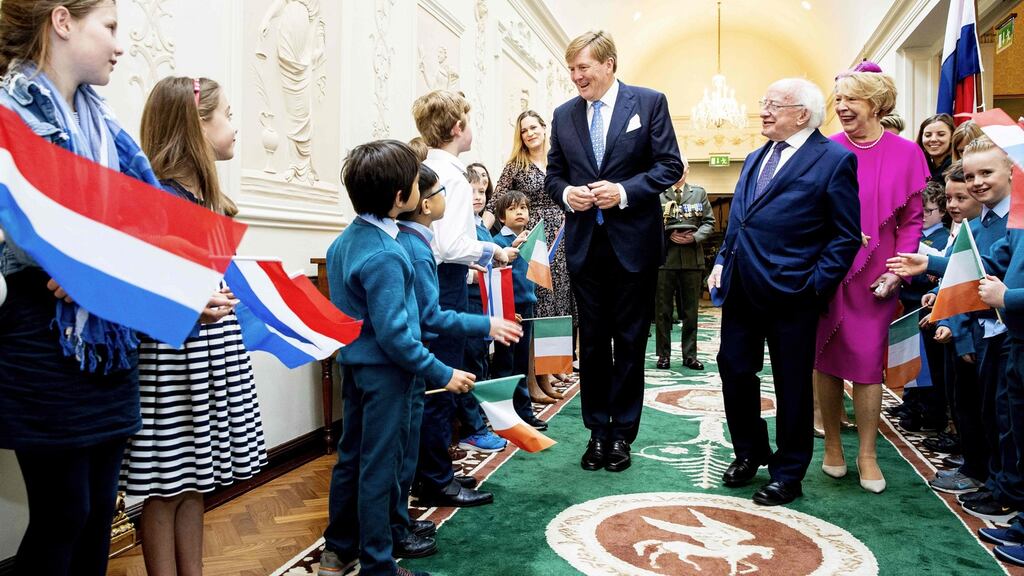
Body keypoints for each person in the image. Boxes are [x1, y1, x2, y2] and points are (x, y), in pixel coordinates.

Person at [0, 2, 158, 573]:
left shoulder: (107, 127)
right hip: (43, 337)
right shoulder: (7, 113)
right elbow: (21, 231)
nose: (120, 46)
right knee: (62, 513)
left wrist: (178, 285)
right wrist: (85, 258)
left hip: (108, 339)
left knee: (97, 513)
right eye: (110, 27)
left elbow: (148, 220)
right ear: (62, 21)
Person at [119, 76, 267, 576]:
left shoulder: (203, 200)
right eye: (226, 114)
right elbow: (138, 285)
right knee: (162, 486)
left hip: (202, 353)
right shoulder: (157, 197)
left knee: (192, 480)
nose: (234, 126)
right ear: (196, 126)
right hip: (169, 359)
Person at [319, 140, 477, 576]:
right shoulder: (388, 254)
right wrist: (443, 372)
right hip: (387, 375)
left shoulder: (345, 242)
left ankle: (338, 549)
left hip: (356, 368)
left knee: (352, 458)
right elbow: (397, 338)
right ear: (398, 198)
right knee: (379, 469)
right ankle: (378, 566)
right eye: (414, 179)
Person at [707, 77, 861, 506]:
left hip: (794, 294)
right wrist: (721, 261)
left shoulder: (834, 160)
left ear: (803, 114)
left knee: (791, 384)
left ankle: (788, 473)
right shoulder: (756, 156)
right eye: (764, 102)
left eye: (773, 104)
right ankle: (749, 452)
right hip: (741, 288)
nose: (764, 110)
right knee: (734, 371)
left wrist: (814, 286)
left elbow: (845, 237)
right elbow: (739, 218)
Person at [545, 30, 684, 473]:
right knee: (594, 345)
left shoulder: (648, 102)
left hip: (633, 248)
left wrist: (623, 191)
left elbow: (669, 165)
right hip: (586, 248)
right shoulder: (563, 115)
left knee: (628, 343)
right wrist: (569, 195)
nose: (576, 77)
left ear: (609, 64)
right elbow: (553, 175)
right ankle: (596, 432)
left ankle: (622, 433)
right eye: (571, 69)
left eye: (583, 67)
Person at [392, 164, 522, 560]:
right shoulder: (415, 248)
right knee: (392, 453)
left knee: (401, 445)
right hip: (407, 362)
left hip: (412, 358)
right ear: (426, 202)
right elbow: (428, 317)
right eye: (445, 191)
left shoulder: (414, 240)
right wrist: (486, 324)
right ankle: (391, 532)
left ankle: (400, 518)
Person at [889, 136, 1021, 523]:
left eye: (986, 173)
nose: (977, 182)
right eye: (970, 175)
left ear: (1011, 171)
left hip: (1005, 328)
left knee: (1005, 420)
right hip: (995, 330)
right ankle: (995, 484)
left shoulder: (1014, 219)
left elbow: (989, 273)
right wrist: (929, 262)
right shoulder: (989, 219)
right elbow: (976, 265)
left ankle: (1004, 491)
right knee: (993, 413)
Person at [815, 68, 927, 495]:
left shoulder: (907, 153)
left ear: (877, 105)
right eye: (838, 98)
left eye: (852, 99)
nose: (841, 107)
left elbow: (912, 220)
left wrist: (896, 271)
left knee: (866, 363)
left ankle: (866, 452)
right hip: (831, 269)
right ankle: (831, 446)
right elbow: (813, 210)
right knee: (823, 356)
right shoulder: (827, 149)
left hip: (880, 272)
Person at [411, 90, 513, 506]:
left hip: (438, 275)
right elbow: (452, 245)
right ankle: (436, 480)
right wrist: (494, 252)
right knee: (442, 380)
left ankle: (432, 472)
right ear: (457, 128)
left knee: (438, 379)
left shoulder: (427, 165)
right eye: (468, 121)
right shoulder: (450, 175)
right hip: (446, 278)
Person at [493, 110, 576, 398]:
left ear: (544, 128)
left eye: (534, 127)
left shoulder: (558, 159)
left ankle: (549, 372)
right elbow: (496, 203)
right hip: (534, 240)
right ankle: (533, 378)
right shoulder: (516, 164)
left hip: (563, 234)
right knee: (537, 305)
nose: (529, 133)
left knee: (558, 304)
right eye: (524, 130)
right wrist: (487, 237)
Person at [490, 190, 548, 431]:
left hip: (527, 305)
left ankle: (524, 411)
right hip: (507, 309)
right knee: (505, 362)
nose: (520, 212)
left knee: (522, 362)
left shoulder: (530, 239)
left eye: (524, 208)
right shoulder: (497, 244)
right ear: (502, 217)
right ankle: (503, 415)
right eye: (513, 209)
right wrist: (508, 253)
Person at [655, 163, 714, 371]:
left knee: (690, 311)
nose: (679, 172)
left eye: (683, 168)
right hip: (665, 259)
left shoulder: (698, 193)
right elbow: (649, 222)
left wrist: (695, 237)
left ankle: (690, 355)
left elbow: (709, 222)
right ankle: (663, 355)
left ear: (687, 171)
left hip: (691, 260)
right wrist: (667, 233)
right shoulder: (658, 194)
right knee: (662, 311)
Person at [917, 113, 955, 182]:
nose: (933, 139)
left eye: (941, 134)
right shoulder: (919, 166)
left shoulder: (957, 168)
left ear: (952, 137)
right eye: (928, 135)